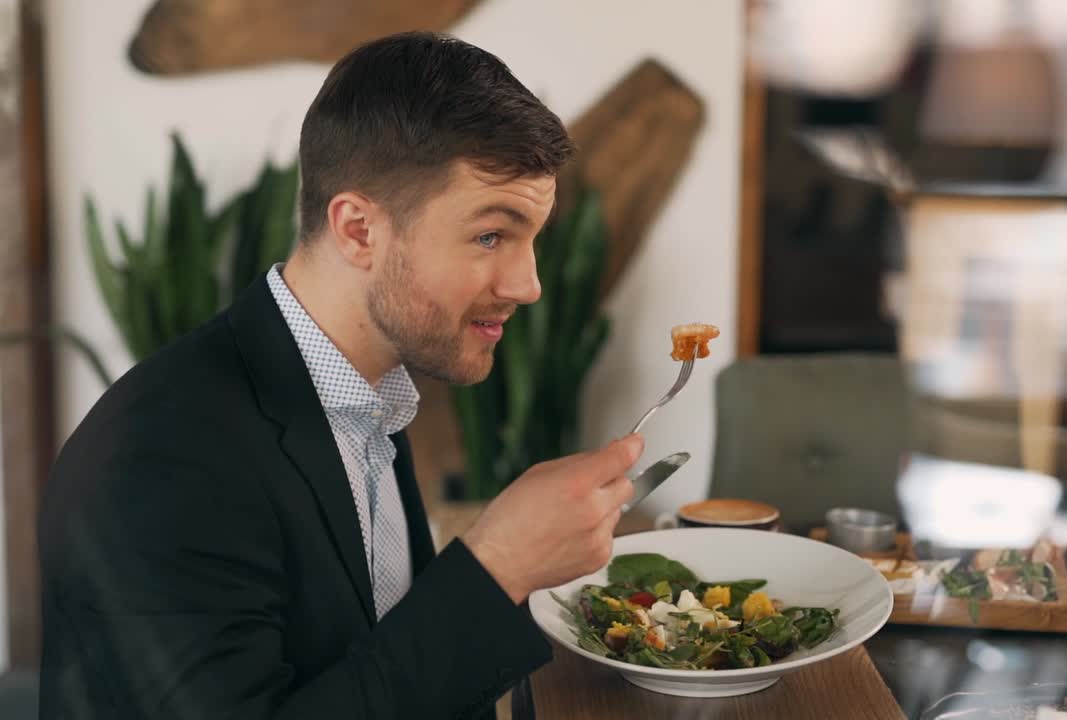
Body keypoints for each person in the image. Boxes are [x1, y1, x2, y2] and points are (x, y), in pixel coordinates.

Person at [38, 31, 641, 719]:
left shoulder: (366, 396)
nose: (530, 285)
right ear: (358, 230)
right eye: (489, 236)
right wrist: (495, 567)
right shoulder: (162, 458)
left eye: (531, 239)